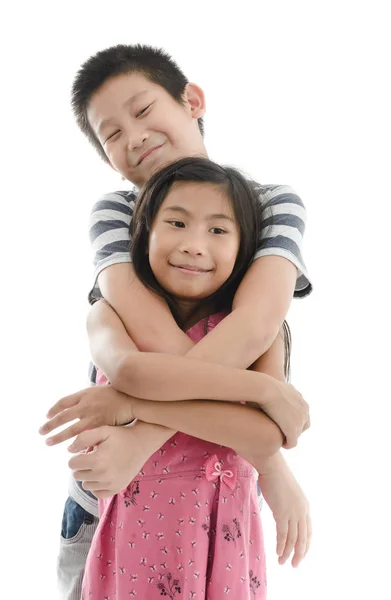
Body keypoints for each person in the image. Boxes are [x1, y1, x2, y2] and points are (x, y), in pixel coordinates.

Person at [40, 43, 312, 599]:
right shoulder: (117, 213)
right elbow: (153, 348)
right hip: (110, 491)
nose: (133, 136)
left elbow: (255, 327)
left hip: (215, 504)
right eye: (111, 134)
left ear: (191, 100)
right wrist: (264, 416)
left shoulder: (270, 205)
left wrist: (137, 428)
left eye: (141, 111)